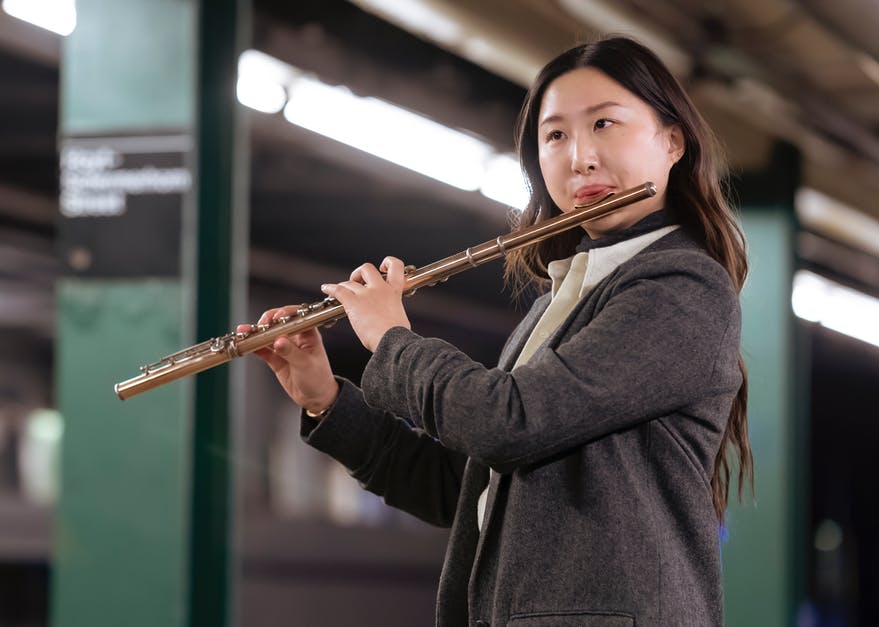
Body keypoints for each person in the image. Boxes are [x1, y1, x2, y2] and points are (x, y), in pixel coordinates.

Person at [240, 36, 753, 627]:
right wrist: (324, 398)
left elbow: (509, 423)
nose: (580, 157)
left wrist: (391, 341)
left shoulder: (682, 287)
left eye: (605, 124)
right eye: (555, 135)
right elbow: (459, 488)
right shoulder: (561, 302)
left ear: (672, 142)